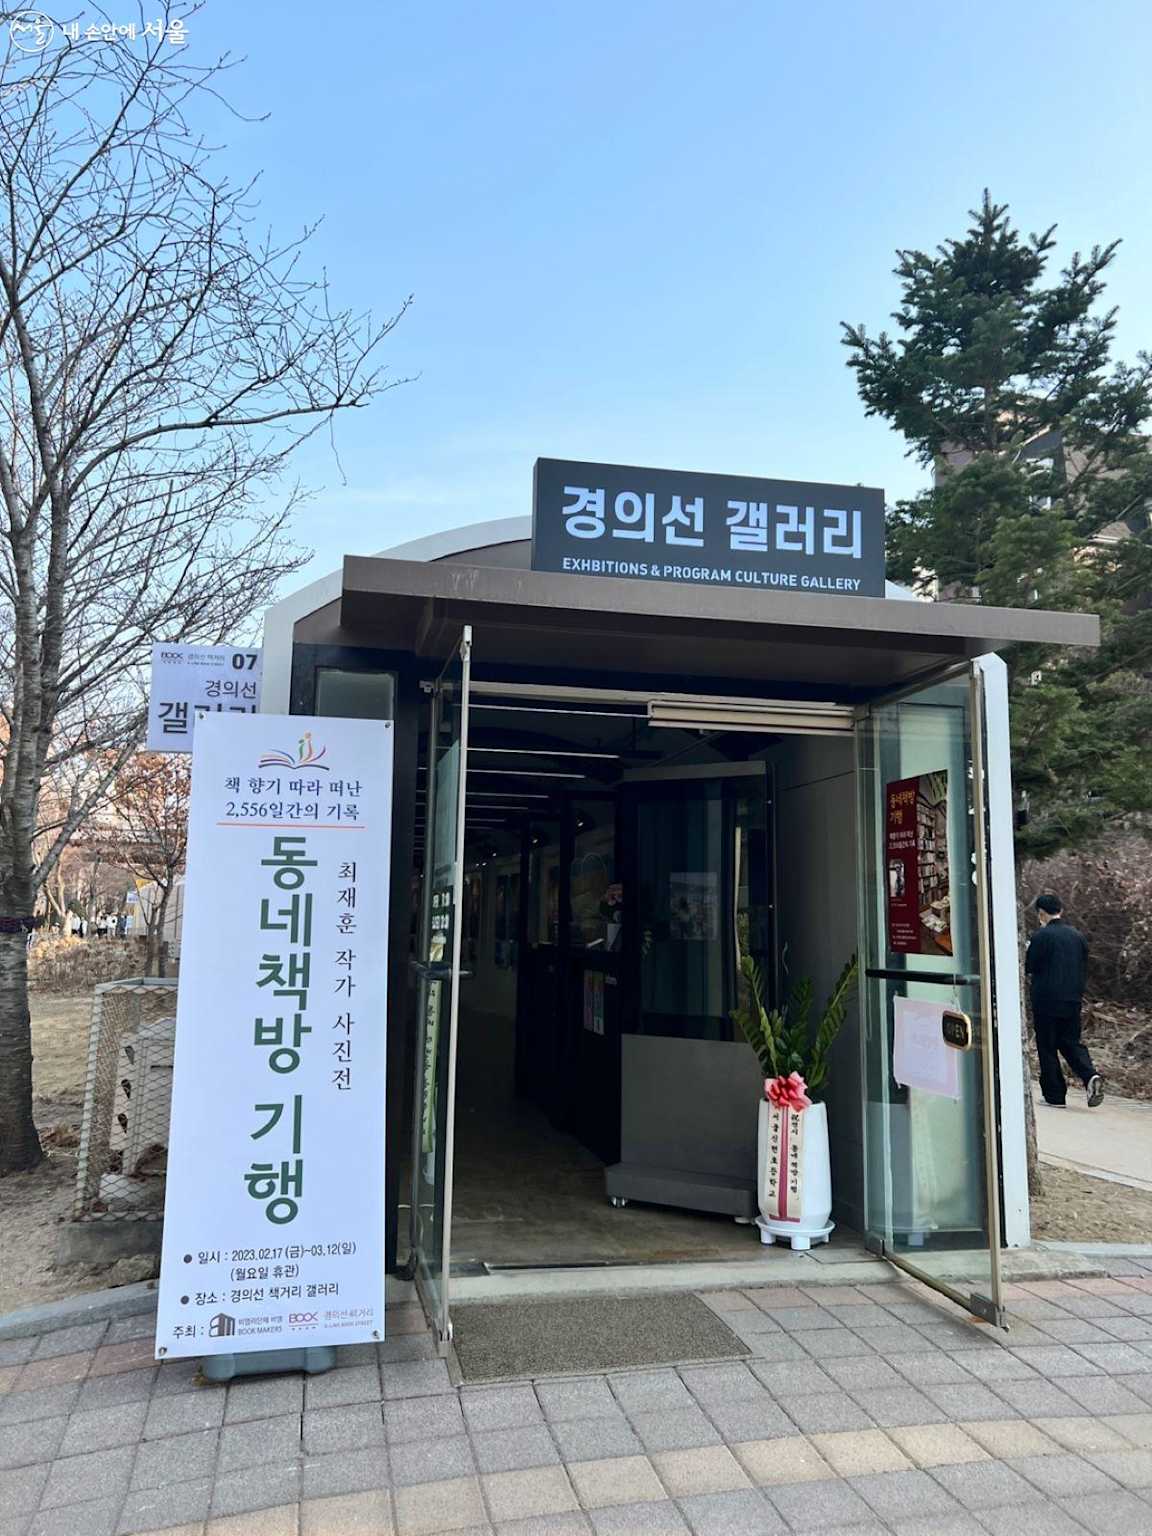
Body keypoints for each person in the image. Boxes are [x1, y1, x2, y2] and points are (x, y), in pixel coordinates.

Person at [1025, 893, 1104, 1108]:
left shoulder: (1041, 937)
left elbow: (1030, 966)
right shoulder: (1077, 936)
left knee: (1047, 1045)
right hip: (1072, 998)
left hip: (1046, 999)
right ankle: (1090, 1075)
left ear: (1041, 913)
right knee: (1070, 1042)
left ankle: (1054, 1095)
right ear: (1061, 910)